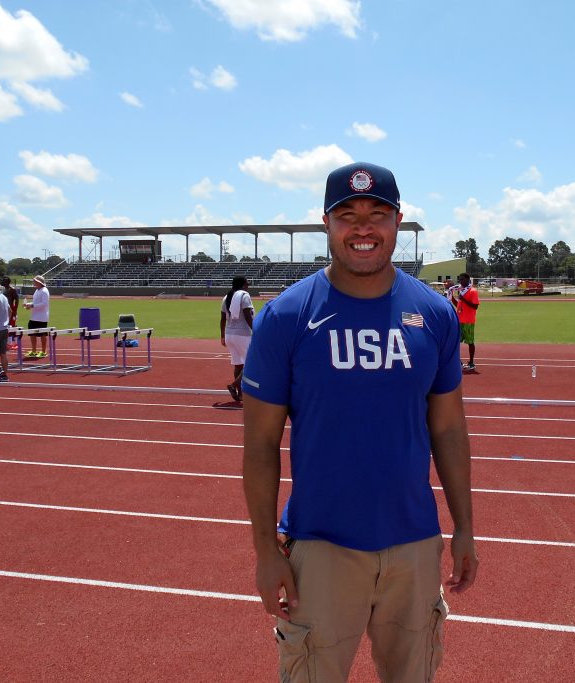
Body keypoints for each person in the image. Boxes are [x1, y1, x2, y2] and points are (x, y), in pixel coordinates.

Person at [241, 162, 478, 683]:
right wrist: (264, 551)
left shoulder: (435, 315)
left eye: (377, 213)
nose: (363, 227)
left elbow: (448, 429)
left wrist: (464, 527)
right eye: (347, 215)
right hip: (321, 547)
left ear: (399, 221)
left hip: (414, 545)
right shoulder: (285, 317)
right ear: (326, 224)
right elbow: (259, 444)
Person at [219, 275, 254, 402]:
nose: (249, 284)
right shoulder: (244, 295)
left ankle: (239, 393)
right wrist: (256, 330)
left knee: (238, 364)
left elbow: (223, 319)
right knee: (251, 363)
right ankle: (234, 385)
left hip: (229, 334)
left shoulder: (226, 297)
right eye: (247, 282)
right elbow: (247, 315)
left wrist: (222, 336)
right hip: (243, 334)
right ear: (242, 285)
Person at [450, 273, 480, 370]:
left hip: (468, 321)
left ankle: (471, 363)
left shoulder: (473, 291)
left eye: (462, 279)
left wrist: (464, 299)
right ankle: (458, 362)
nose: (461, 282)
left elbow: (475, 306)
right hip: (459, 321)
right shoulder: (461, 291)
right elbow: (458, 305)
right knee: (456, 342)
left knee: (470, 342)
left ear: (468, 280)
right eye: (460, 280)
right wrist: (452, 298)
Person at [23, 275, 50, 359]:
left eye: (35, 281)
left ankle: (43, 351)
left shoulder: (44, 291)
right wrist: (28, 305)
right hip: (34, 316)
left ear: (39, 282)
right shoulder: (37, 290)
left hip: (42, 317)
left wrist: (32, 306)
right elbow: (35, 302)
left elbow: (44, 304)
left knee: (42, 334)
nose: (33, 282)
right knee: (32, 333)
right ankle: (34, 350)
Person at [1, 276, 19, 350]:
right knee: (6, 324)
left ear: (7, 282)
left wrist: (15, 310)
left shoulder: (12, 289)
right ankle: (8, 342)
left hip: (11, 309)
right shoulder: (4, 290)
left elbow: (17, 299)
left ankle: (12, 342)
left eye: (4, 281)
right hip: (5, 309)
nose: (2, 282)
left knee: (11, 324)